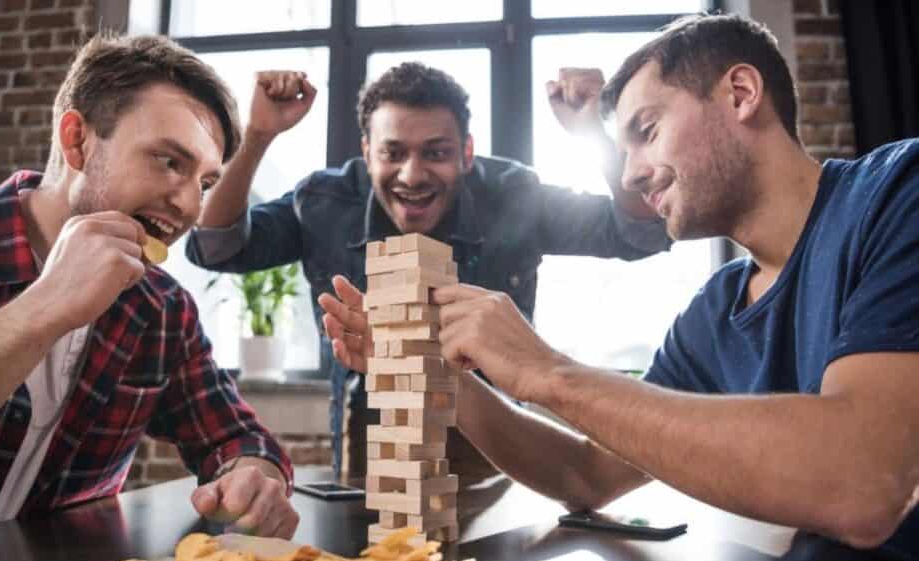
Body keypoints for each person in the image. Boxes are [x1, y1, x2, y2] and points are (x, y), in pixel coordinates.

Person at [321, 13, 919, 561]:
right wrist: (442, 376)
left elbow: (862, 484)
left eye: (646, 131)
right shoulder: (714, 313)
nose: (630, 172)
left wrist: (547, 371)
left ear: (740, 94)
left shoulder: (898, 194)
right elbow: (584, 474)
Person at [0, 34, 299, 542]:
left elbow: (238, 437)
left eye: (205, 183)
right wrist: (48, 303)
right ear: (77, 141)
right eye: (169, 162)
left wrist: (253, 478)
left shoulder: (162, 308)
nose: (189, 207)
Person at [188, 62, 670, 474]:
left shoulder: (514, 193)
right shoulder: (324, 201)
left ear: (466, 152)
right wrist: (257, 136)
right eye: (393, 152)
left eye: (436, 153)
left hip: (500, 448)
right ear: (366, 153)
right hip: (367, 449)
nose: (413, 175)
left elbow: (640, 233)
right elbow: (214, 248)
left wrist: (596, 135)